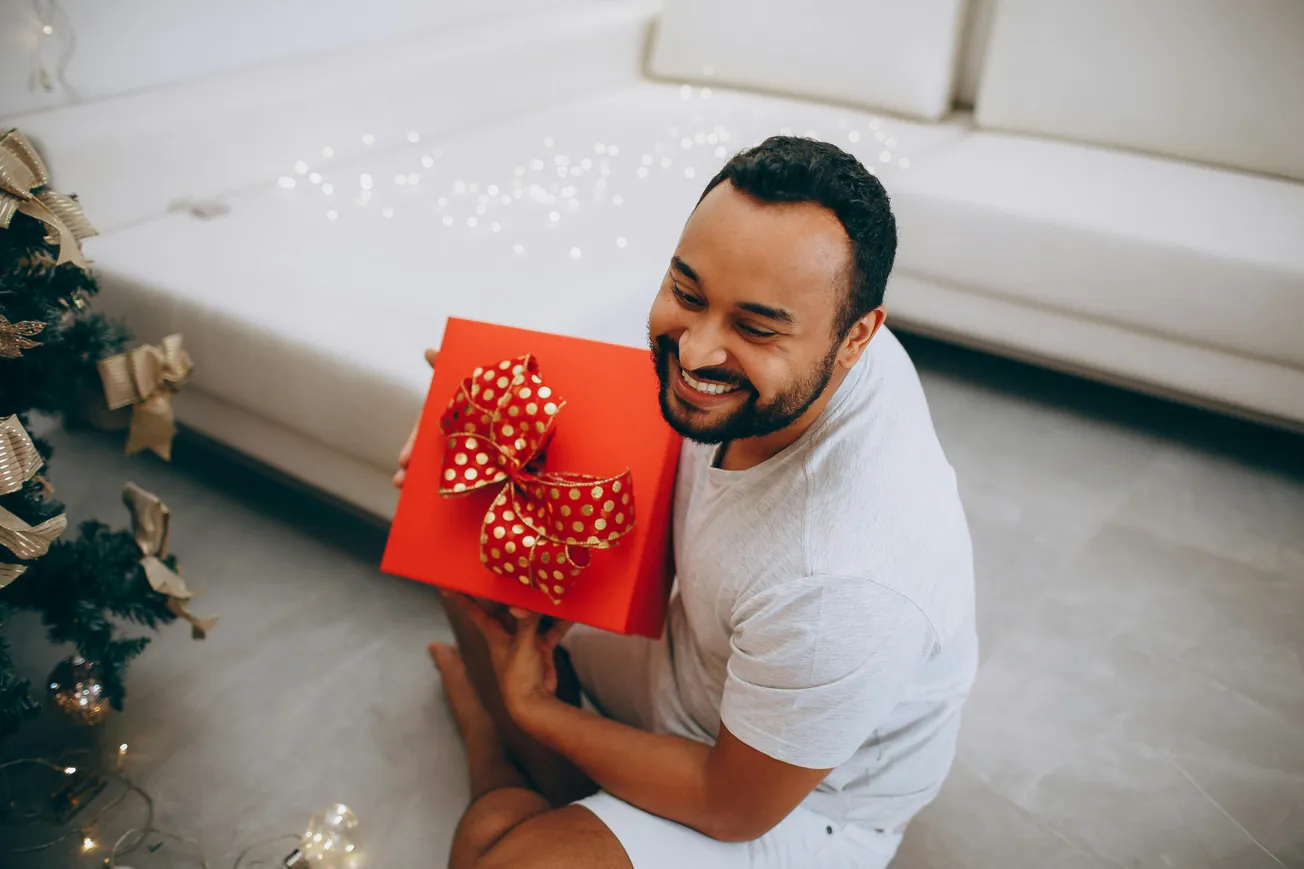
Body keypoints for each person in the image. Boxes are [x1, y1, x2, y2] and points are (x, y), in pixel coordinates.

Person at [394, 136, 977, 869]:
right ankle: (526, 773)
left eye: (755, 329)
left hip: (797, 799)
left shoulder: (845, 581)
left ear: (857, 337)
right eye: (688, 293)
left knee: (502, 849)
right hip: (691, 657)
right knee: (454, 523)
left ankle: (501, 752)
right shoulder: (813, 331)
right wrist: (484, 419)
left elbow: (730, 804)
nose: (697, 352)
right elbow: (633, 421)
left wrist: (531, 707)